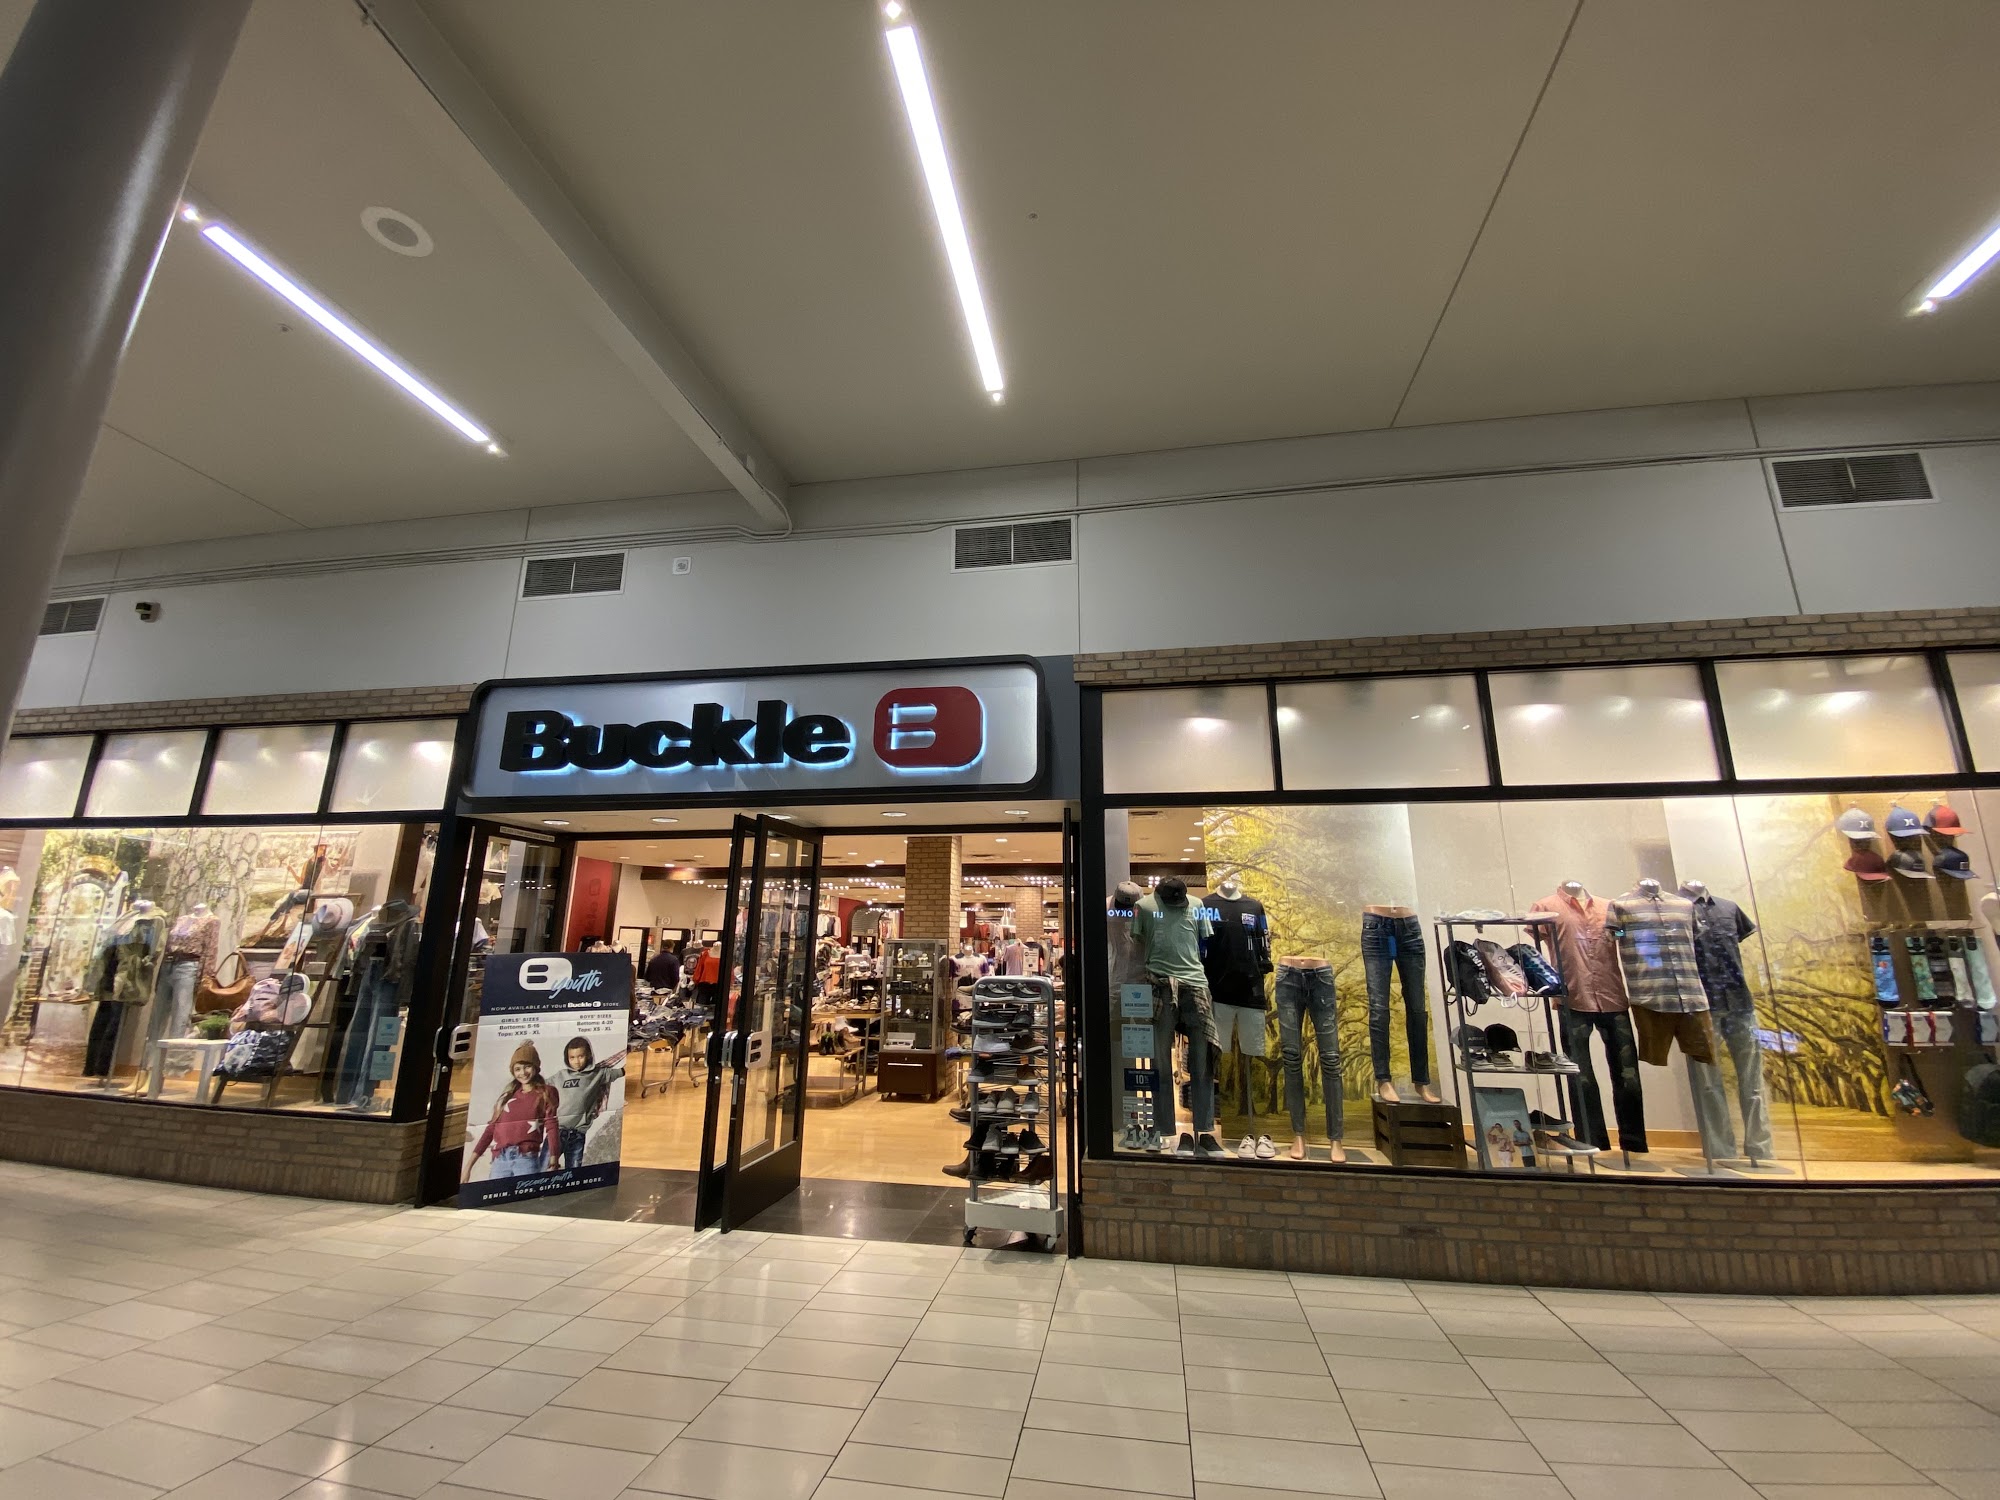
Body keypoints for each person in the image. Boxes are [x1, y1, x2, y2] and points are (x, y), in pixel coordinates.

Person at [464, 1042, 559, 1181]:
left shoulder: (546, 1092)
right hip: (499, 1161)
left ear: (535, 1067)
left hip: (526, 1159)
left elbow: (552, 1126)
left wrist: (554, 1157)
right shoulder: (506, 1097)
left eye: (527, 1067)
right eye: (517, 1069)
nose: (523, 1073)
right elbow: (490, 1130)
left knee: (526, 1195)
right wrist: (468, 1166)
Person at [548, 1035, 625, 1171]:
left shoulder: (598, 1074)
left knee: (574, 1171)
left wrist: (631, 1049)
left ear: (588, 1055)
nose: (576, 1061)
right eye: (572, 1057)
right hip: (556, 1132)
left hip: (578, 1133)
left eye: (580, 1056)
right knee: (543, 1167)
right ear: (567, 1058)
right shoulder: (560, 1075)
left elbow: (620, 1072)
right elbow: (538, 1085)